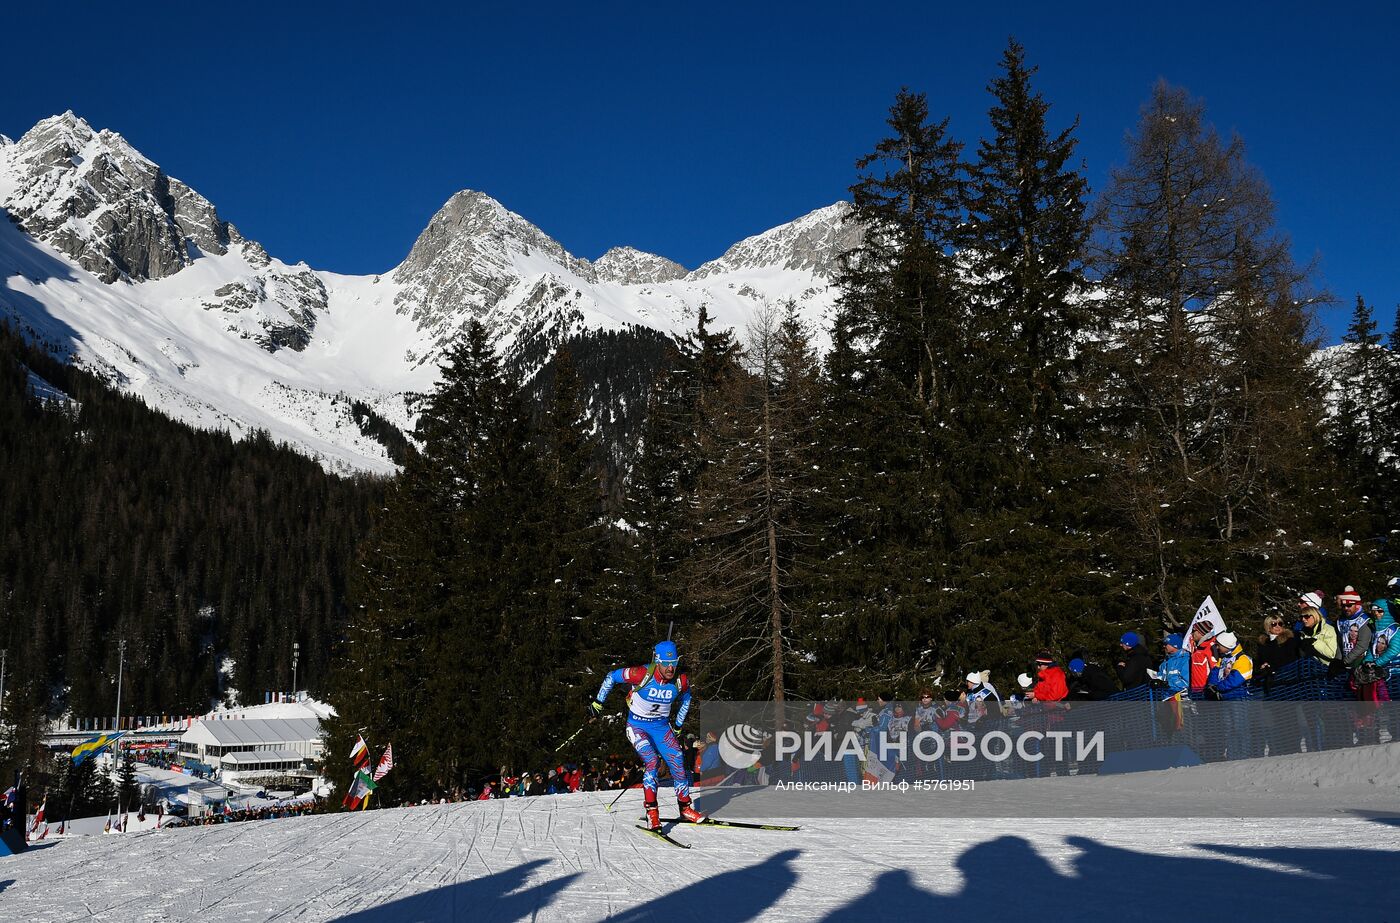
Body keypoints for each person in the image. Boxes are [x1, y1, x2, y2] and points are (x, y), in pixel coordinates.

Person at [591, 640, 705, 830]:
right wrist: (598, 702)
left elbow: (687, 699)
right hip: (637, 727)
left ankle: (685, 808)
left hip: (661, 727)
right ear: (657, 661)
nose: (671, 668)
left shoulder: (680, 681)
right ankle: (652, 812)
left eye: (674, 663)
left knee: (678, 762)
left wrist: (677, 726)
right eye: (666, 663)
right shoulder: (641, 674)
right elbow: (611, 677)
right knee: (652, 762)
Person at [1255, 615, 1300, 694]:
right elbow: (1259, 660)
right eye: (1274, 624)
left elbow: (1290, 658)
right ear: (1268, 627)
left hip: (1287, 679)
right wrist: (1262, 666)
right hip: (1269, 683)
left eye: (1280, 623)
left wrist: (1271, 665)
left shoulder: (1289, 640)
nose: (1278, 626)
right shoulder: (1263, 643)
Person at [1189, 624, 1217, 695]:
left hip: (1205, 692)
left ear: (1199, 632)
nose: (1192, 633)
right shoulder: (1198, 646)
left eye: (1193, 631)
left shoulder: (1211, 647)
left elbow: (1215, 669)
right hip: (1195, 690)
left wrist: (1211, 688)